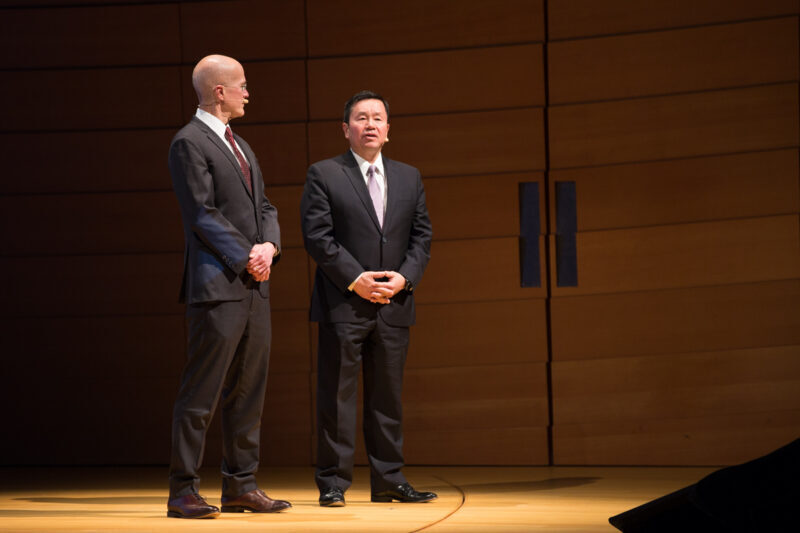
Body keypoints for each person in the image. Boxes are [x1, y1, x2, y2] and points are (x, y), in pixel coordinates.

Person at [166, 54, 290, 519]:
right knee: (201, 392)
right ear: (220, 91)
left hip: (253, 286)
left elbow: (266, 207)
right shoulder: (189, 142)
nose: (247, 93)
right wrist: (247, 255)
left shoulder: (241, 145)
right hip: (219, 285)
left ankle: (241, 485)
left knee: (247, 390)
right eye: (242, 85)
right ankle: (183, 490)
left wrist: (270, 247)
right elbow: (201, 213)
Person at [301, 90, 436, 507]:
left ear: (388, 129)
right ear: (346, 129)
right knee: (337, 398)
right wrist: (355, 279)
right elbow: (317, 236)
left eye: (378, 118)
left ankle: (389, 479)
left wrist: (404, 279)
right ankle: (333, 483)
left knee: (387, 399)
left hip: (394, 303)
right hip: (343, 303)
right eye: (361, 118)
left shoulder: (410, 176)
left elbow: (422, 237)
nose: (370, 124)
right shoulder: (324, 173)